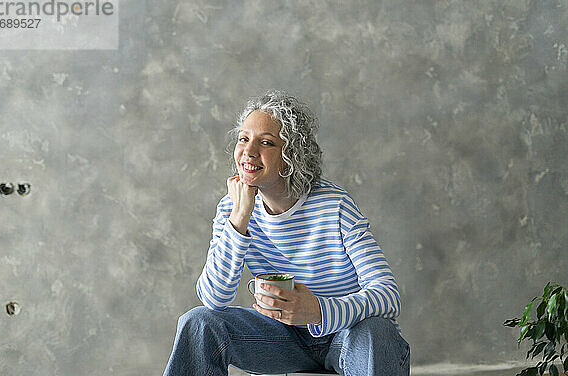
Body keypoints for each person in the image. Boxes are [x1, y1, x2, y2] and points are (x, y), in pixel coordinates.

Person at [163, 91, 410, 376]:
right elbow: (215, 299)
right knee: (199, 322)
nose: (249, 151)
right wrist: (239, 219)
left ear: (291, 156)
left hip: (348, 337)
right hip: (283, 340)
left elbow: (388, 296)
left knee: (375, 329)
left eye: (266, 142)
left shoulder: (335, 205)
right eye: (244, 139)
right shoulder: (232, 209)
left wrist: (318, 311)